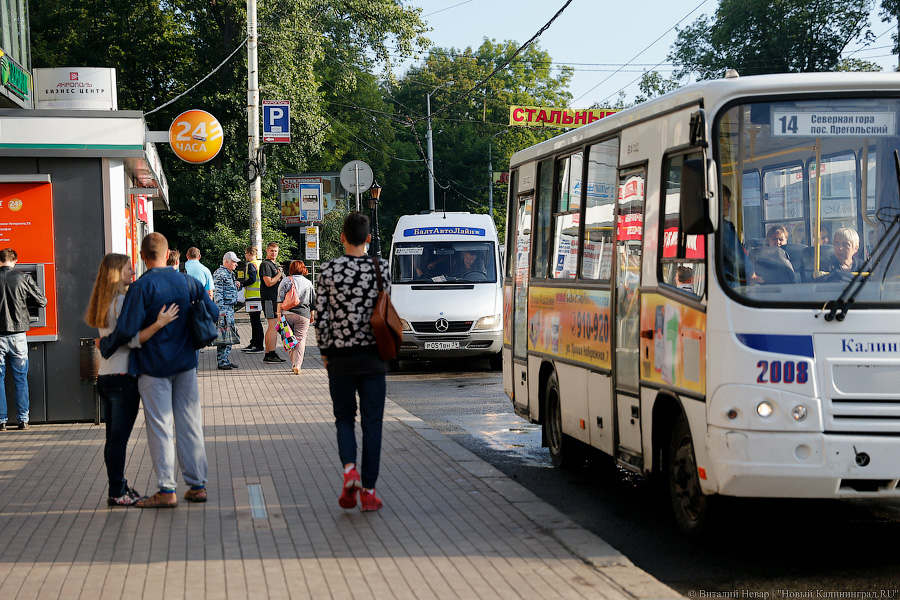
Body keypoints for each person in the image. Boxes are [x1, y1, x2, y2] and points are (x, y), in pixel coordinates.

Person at [100, 233, 219, 508]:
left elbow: (127, 330)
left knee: (160, 427)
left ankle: (167, 490)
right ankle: (197, 485)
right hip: (186, 363)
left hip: (152, 367)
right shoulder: (188, 282)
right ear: (167, 255)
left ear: (143, 256)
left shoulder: (141, 287)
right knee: (190, 422)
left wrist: (105, 344)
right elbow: (212, 312)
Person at [85, 253, 179, 506]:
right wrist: (160, 323)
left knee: (113, 439)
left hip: (106, 376)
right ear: (117, 273)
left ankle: (119, 486)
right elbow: (133, 339)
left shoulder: (102, 301)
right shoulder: (123, 301)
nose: (133, 272)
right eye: (128, 268)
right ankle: (117, 492)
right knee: (119, 441)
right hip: (123, 378)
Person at [315, 213, 389, 511]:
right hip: (374, 358)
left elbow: (321, 317)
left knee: (344, 419)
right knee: (373, 425)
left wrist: (324, 353)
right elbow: (387, 310)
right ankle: (369, 492)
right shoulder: (381, 268)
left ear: (342, 237)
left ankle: (350, 471)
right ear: (368, 239)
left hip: (340, 357)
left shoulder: (328, 270)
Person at [0, 248, 47, 431]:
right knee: (20, 378)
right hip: (18, 335)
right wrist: (23, 300)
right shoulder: (24, 278)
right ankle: (23, 420)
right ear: (16, 261)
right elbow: (42, 301)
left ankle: (2, 421)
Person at [277, 260, 315, 375]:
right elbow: (312, 301)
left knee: (289, 338)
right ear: (303, 269)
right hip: (303, 314)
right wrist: (312, 314)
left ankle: (293, 363)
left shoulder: (285, 281)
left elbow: (279, 299)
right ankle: (297, 365)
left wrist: (278, 314)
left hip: (287, 314)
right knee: (300, 339)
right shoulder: (308, 283)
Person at [214, 251, 242, 371]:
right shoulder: (220, 273)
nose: (236, 264)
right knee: (224, 335)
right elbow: (218, 293)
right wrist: (221, 310)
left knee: (228, 334)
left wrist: (236, 285)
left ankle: (225, 360)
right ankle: (222, 361)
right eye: (234, 262)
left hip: (229, 308)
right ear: (226, 262)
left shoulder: (229, 273)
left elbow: (227, 289)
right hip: (224, 308)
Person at [260, 242, 286, 364]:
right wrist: (279, 274)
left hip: (274, 299)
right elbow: (268, 282)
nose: (274, 253)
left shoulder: (273, 264)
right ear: (267, 251)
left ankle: (268, 353)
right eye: (271, 250)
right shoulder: (266, 264)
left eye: (275, 251)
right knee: (273, 326)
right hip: (269, 299)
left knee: (272, 326)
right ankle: (271, 353)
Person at [720, 186, 747, 285]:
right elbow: (739, 262)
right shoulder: (723, 227)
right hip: (731, 283)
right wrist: (752, 272)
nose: (729, 204)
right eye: (726, 199)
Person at [239, 246, 264, 354]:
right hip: (259, 295)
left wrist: (242, 284)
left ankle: (258, 346)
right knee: (255, 321)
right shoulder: (260, 263)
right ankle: (253, 343)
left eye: (245, 253)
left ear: (249, 253)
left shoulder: (251, 264)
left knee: (255, 322)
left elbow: (252, 279)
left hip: (253, 297)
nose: (245, 256)